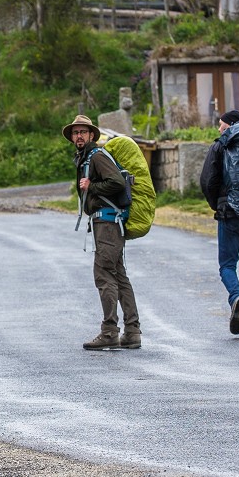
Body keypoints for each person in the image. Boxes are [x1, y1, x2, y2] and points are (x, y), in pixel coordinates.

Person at [62, 113, 143, 351]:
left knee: (104, 274)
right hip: (106, 223)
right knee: (118, 275)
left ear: (91, 135)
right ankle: (132, 332)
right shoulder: (85, 158)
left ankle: (109, 331)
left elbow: (117, 182)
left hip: (108, 223)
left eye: (82, 132)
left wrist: (92, 186)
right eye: (75, 133)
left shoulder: (96, 156)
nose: (78, 136)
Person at [199, 109, 239, 337]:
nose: (219, 130)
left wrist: (217, 203)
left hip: (230, 212)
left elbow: (208, 180)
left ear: (233, 126)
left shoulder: (221, 145)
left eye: (223, 125)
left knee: (227, 265)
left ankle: (237, 297)